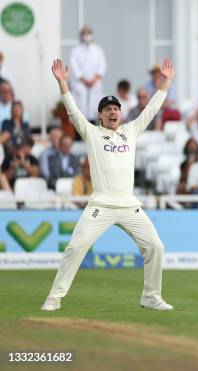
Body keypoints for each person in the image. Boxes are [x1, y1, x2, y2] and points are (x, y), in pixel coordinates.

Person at [41, 57, 175, 312]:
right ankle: (54, 297)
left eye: (116, 109)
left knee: (156, 247)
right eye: (108, 109)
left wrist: (167, 81)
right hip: (101, 204)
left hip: (129, 205)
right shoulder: (92, 133)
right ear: (100, 116)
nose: (113, 112)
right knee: (76, 247)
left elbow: (152, 109)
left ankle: (151, 296)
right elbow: (72, 112)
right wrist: (62, 83)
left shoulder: (131, 131)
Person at [69, 25, 107, 121]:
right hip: (81, 83)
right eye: (85, 33)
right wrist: (83, 79)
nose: (87, 36)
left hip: (94, 83)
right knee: (80, 109)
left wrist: (94, 79)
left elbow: (102, 65)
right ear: (81, 35)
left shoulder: (98, 50)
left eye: (89, 33)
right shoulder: (76, 50)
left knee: (94, 108)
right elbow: (74, 66)